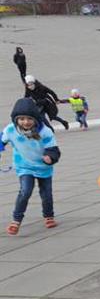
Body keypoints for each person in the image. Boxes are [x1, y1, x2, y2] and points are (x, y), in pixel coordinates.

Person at [2, 98, 62, 235]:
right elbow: (1, 140)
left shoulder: (45, 131)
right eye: (21, 119)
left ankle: (48, 216)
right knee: (25, 191)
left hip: (43, 167)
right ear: (16, 119)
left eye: (29, 119)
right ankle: (16, 220)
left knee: (46, 194)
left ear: (36, 118)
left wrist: (50, 157)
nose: (26, 122)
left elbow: (54, 150)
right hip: (24, 166)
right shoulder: (11, 130)